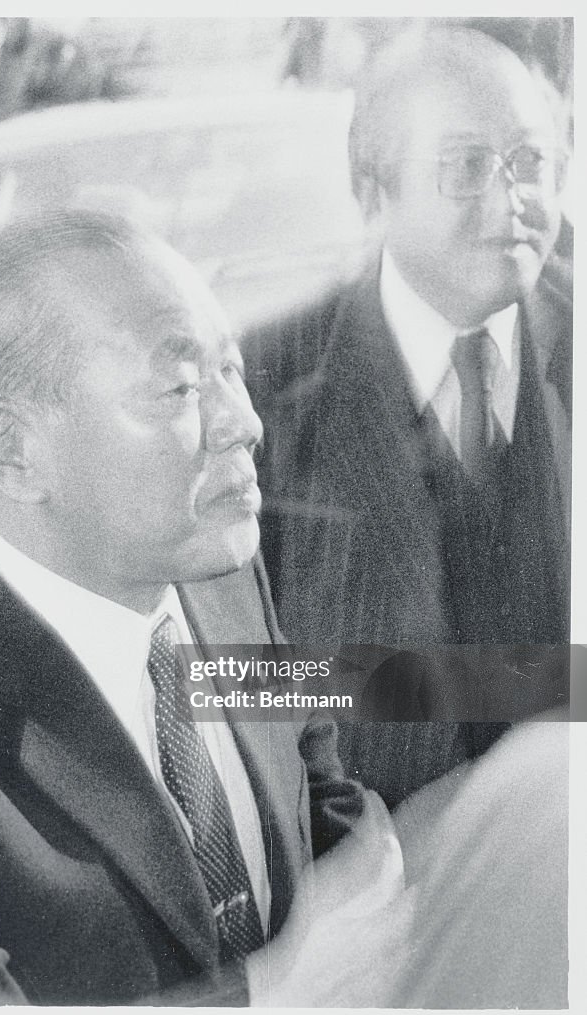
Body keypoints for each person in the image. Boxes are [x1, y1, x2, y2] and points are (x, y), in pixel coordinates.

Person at [0, 211, 373, 1006]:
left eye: (233, 371)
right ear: (11, 451)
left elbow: (313, 784)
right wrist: (278, 996)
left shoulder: (218, 565)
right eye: (181, 388)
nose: (245, 424)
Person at [244, 25, 572, 805]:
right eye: (464, 168)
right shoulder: (262, 395)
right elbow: (228, 684)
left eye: (531, 162)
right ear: (371, 191)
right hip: (380, 868)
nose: (512, 201)